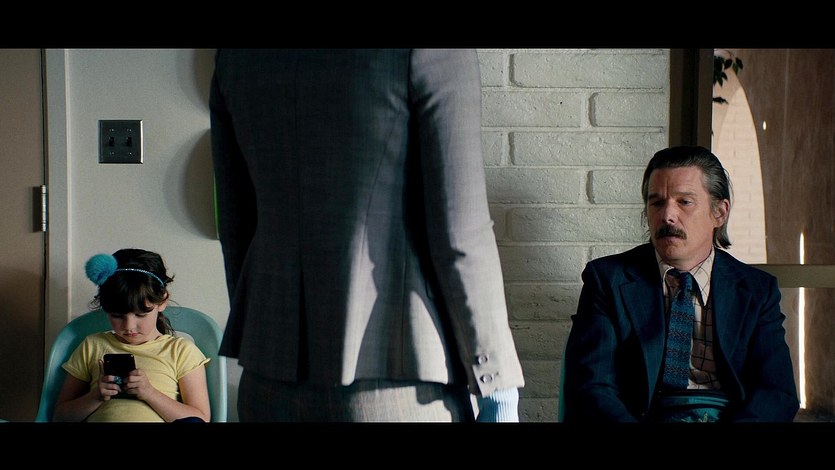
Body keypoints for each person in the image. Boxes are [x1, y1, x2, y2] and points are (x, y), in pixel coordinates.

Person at [209, 49, 525, 422]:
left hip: (267, 386)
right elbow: (462, 233)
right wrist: (498, 389)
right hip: (399, 381)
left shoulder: (235, 56)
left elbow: (236, 225)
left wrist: (267, 335)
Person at [562, 145, 799, 423]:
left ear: (720, 212)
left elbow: (776, 392)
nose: (667, 216)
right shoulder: (607, 280)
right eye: (656, 203)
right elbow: (591, 386)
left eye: (684, 202)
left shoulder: (757, 290)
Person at [52, 248, 211, 422]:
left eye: (141, 315)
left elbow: (200, 418)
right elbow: (60, 416)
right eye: (117, 316)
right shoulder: (92, 346)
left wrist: (150, 393)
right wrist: (96, 396)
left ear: (162, 301)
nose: (129, 327)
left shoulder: (181, 351)